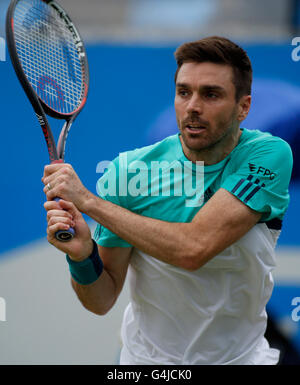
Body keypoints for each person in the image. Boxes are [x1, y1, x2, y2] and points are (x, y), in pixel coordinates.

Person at [42, 36, 293, 365]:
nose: (193, 106)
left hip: (243, 360)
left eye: (211, 94)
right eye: (184, 92)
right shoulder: (130, 172)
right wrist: (82, 258)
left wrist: (89, 202)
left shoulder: (269, 155)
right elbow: (101, 300)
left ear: (243, 107)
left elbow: (194, 249)